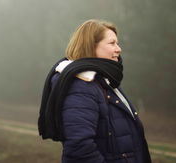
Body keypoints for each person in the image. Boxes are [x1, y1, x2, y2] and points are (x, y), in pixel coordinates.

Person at [38, 19, 151, 163]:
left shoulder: (103, 80)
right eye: (112, 43)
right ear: (91, 46)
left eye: (117, 43)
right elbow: (79, 148)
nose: (118, 49)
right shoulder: (80, 85)